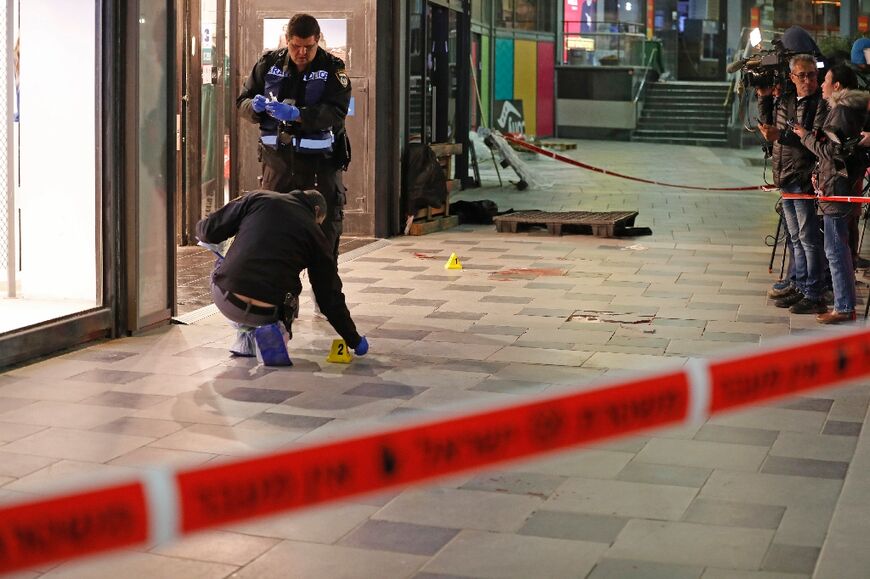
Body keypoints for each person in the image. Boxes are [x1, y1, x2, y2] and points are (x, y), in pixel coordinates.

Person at [195, 189, 368, 361]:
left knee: (223, 262)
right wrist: (354, 340)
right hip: (268, 312)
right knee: (289, 285)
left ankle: (244, 338)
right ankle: (278, 329)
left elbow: (208, 231)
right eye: (319, 222)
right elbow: (329, 297)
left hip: (228, 300)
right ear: (316, 211)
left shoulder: (258, 198)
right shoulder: (316, 236)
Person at [237, 13, 351, 261]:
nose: (302, 52)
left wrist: (299, 114)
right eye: (295, 46)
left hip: (320, 169)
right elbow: (242, 101)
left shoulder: (332, 68)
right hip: (277, 168)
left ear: (317, 40)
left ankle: (327, 296)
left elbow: (337, 111)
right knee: (274, 243)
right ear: (286, 40)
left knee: (323, 248)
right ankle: (282, 298)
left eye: (308, 47)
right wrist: (252, 107)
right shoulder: (269, 64)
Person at [795, 64, 869, 323]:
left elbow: (832, 152)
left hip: (836, 186)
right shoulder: (846, 109)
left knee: (836, 248)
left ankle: (844, 307)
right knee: (838, 246)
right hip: (836, 184)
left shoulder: (841, 111)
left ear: (837, 86)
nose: (822, 85)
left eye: (825, 80)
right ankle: (844, 305)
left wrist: (805, 137)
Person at [757, 54, 827, 314]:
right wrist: (764, 96)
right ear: (792, 77)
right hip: (784, 174)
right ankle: (799, 284)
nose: (807, 80)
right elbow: (768, 126)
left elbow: (812, 140)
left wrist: (783, 136)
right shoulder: (786, 99)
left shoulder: (820, 103)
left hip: (802, 176)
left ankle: (814, 291)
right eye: (802, 75)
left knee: (808, 238)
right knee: (795, 237)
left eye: (811, 75)